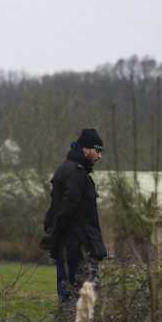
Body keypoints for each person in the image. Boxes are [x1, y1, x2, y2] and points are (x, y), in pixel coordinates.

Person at [40, 128, 108, 304]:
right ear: (86, 149)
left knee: (67, 296)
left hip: (65, 246)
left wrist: (53, 234)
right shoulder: (77, 173)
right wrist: (54, 234)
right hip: (79, 248)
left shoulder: (63, 170)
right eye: (97, 151)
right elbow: (66, 208)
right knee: (85, 299)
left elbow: (54, 210)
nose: (100, 156)